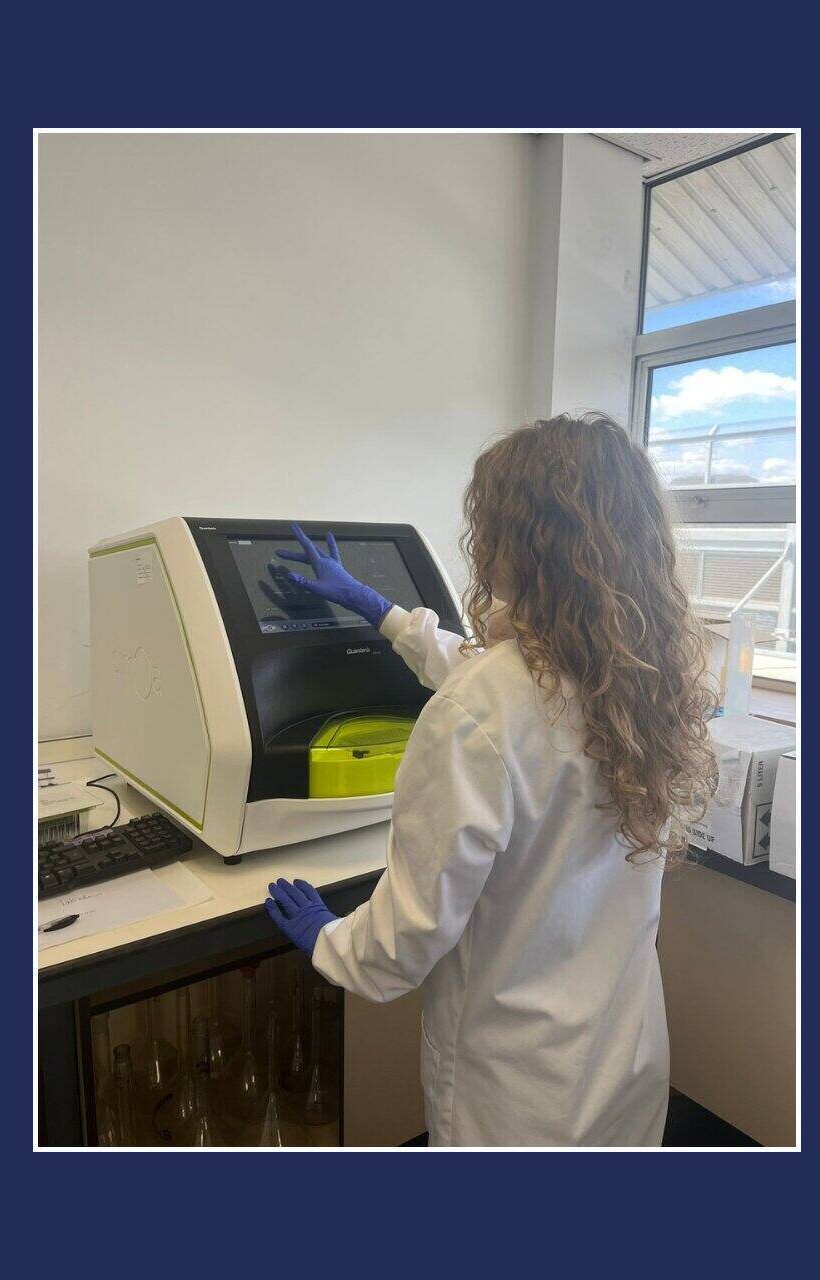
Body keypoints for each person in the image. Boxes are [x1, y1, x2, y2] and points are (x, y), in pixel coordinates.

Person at [258, 412, 717, 1146]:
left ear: (520, 540)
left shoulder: (478, 710)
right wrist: (382, 613)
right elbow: (509, 692)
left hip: (513, 1095)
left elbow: (406, 939)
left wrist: (330, 942)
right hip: (619, 1059)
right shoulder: (642, 675)